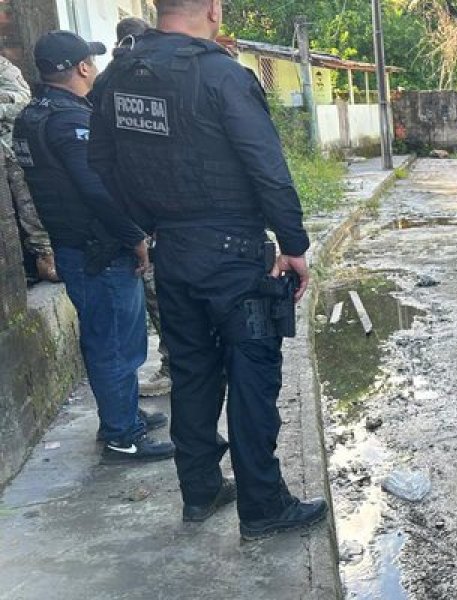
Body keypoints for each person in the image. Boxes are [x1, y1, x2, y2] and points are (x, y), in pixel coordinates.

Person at [90, 0, 328, 538]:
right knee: (252, 376)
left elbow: (100, 163)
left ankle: (199, 492)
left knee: (192, 374)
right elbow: (267, 167)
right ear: (214, 9)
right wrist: (293, 244)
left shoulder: (116, 77)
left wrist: (149, 222)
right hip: (233, 257)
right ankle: (263, 506)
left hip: (173, 251)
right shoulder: (221, 75)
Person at [14, 31, 173, 461]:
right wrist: (134, 236)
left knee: (109, 340)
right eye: (92, 61)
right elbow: (97, 188)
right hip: (99, 251)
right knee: (116, 345)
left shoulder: (32, 116)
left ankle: (121, 416)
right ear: (83, 67)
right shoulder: (70, 121)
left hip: (76, 246)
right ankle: (124, 436)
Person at [102, 16, 172, 398]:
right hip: (167, 210)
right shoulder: (164, 77)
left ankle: (174, 365)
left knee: (160, 293)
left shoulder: (111, 83)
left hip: (145, 213)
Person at [0, 54, 56, 283]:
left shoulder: (3, 67)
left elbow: (22, 99)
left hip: (9, 148)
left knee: (28, 201)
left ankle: (44, 257)